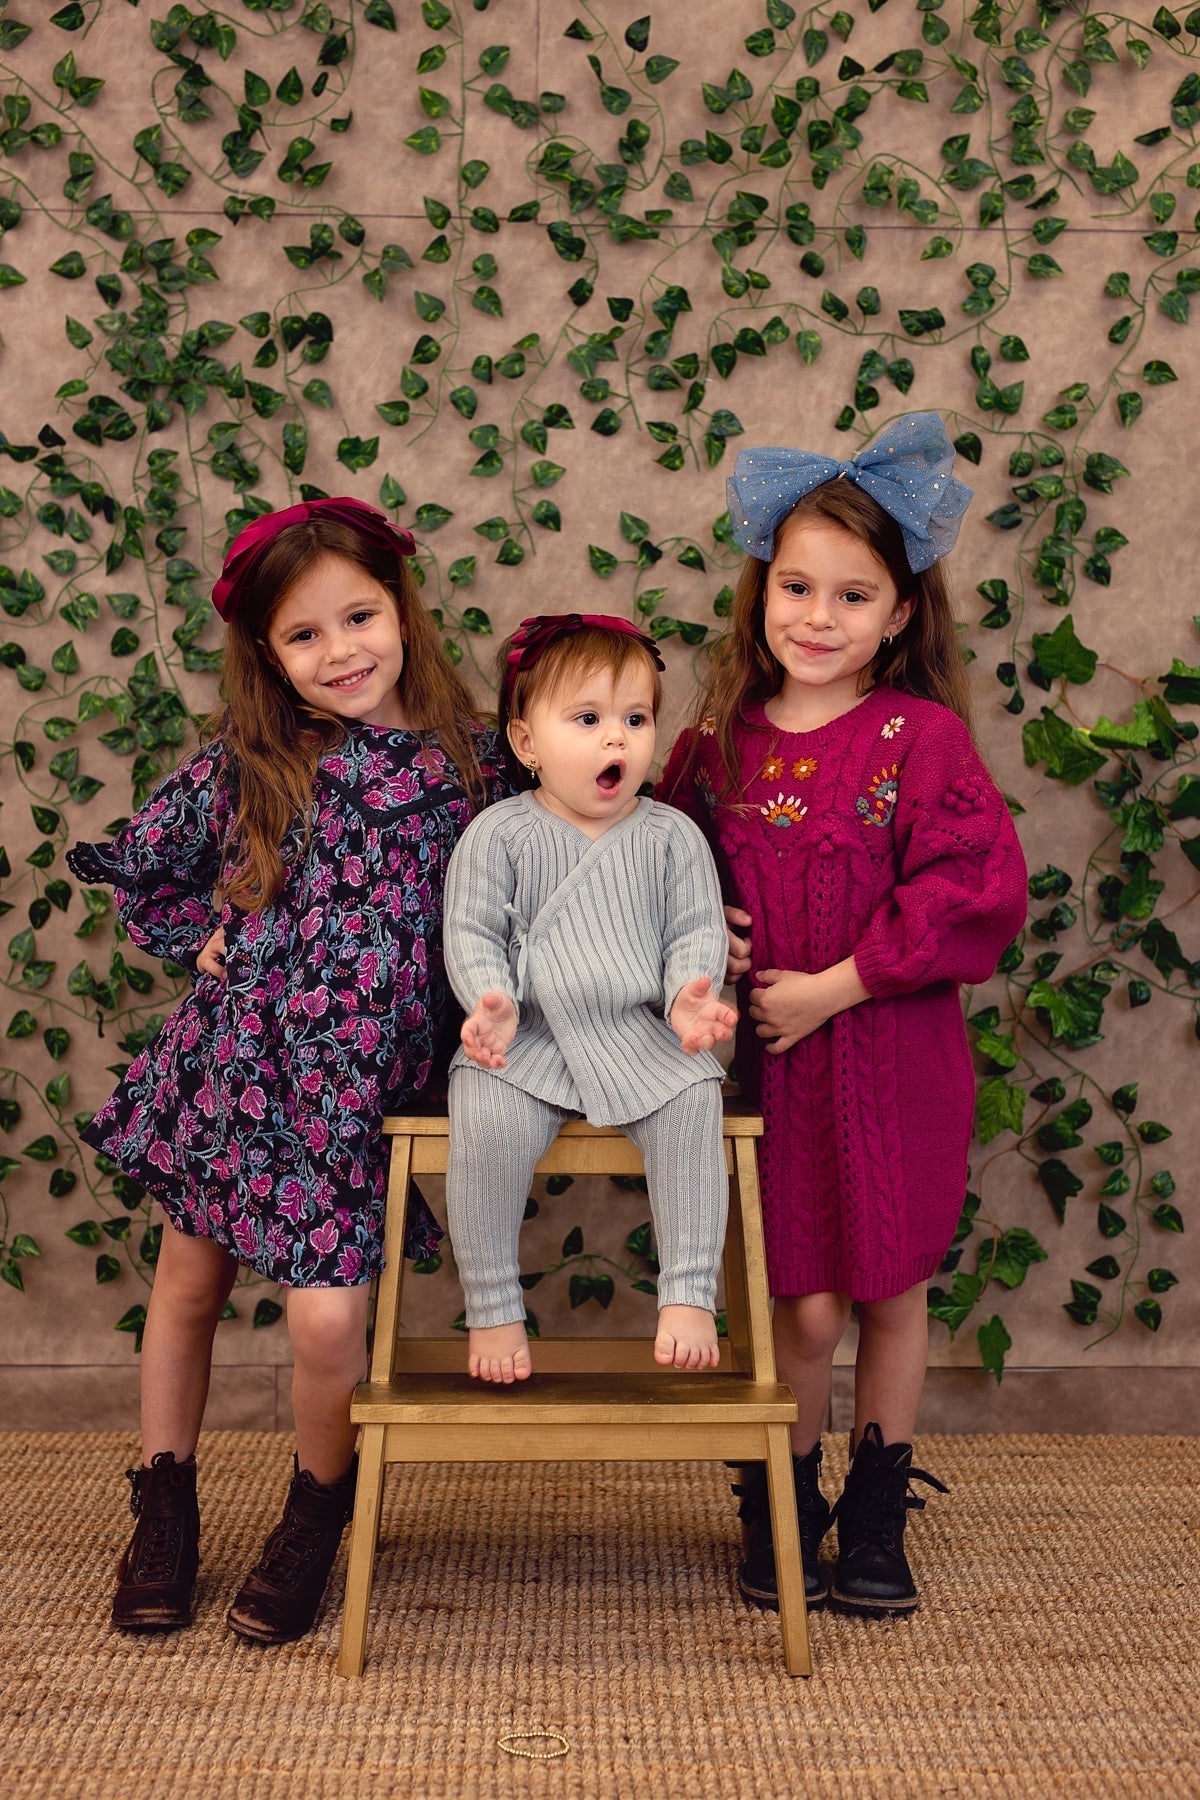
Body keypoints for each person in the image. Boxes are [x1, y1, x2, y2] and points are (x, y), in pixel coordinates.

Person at [67, 497, 507, 1644]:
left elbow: (571, 864)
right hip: (235, 1072)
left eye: (358, 617)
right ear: (268, 652)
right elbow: (147, 871)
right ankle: (165, 1500)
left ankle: (317, 1509)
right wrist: (198, 937)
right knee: (189, 1284)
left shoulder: (479, 764)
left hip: (354, 1101)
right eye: (304, 635)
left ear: (400, 609)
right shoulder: (254, 762)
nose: (340, 651)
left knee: (324, 1324)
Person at [660, 414, 1027, 1616]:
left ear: (900, 613)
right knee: (804, 1305)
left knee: (890, 1291)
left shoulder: (921, 741)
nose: (818, 617)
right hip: (774, 1080)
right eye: (797, 588)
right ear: (762, 593)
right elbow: (653, 877)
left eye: (853, 596)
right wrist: (705, 939)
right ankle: (780, 1498)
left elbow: (975, 890)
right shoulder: (716, 751)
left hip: (893, 1060)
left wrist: (836, 986)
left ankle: (875, 1512)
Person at [441, 614, 738, 1384]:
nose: (618, 739)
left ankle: (688, 1291)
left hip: (639, 1033)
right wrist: (491, 999)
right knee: (485, 1119)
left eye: (636, 720)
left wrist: (688, 1000)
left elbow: (694, 931)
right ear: (526, 742)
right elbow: (470, 929)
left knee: (694, 1101)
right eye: (588, 719)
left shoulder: (672, 836)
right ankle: (493, 1302)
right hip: (527, 1037)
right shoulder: (498, 834)